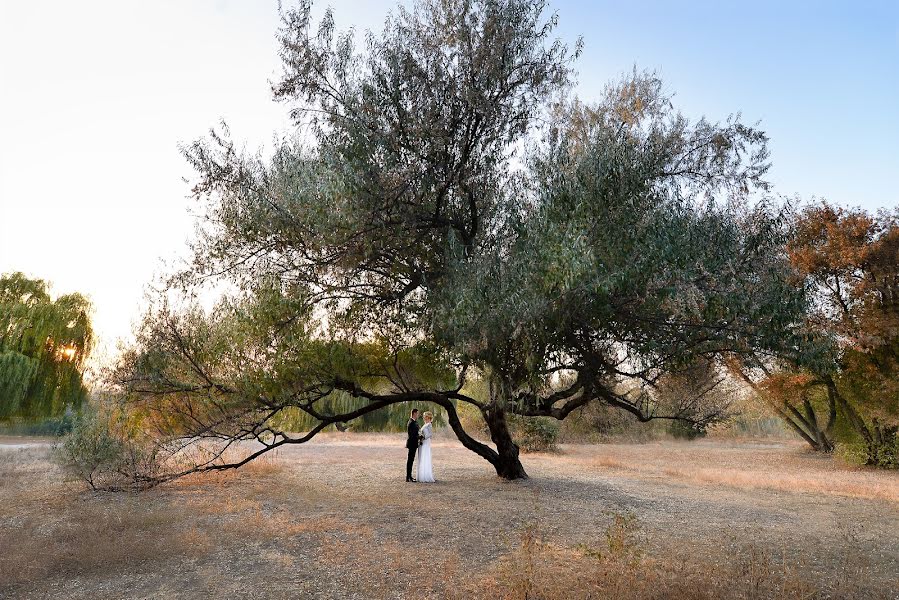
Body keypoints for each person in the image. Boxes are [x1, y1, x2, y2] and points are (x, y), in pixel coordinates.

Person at [416, 411, 435, 483]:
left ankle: (425, 475)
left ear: (429, 417)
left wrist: (423, 437)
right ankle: (421, 474)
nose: (424, 418)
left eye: (426, 417)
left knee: (425, 456)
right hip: (422, 442)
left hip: (426, 442)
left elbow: (430, 434)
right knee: (421, 456)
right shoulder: (425, 424)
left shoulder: (429, 424)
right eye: (424, 417)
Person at [405, 408, 420, 482]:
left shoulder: (414, 422)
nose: (418, 415)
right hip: (412, 444)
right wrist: (420, 437)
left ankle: (409, 476)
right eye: (417, 413)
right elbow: (412, 435)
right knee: (410, 460)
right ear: (414, 413)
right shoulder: (411, 422)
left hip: (413, 444)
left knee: (411, 460)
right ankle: (408, 477)